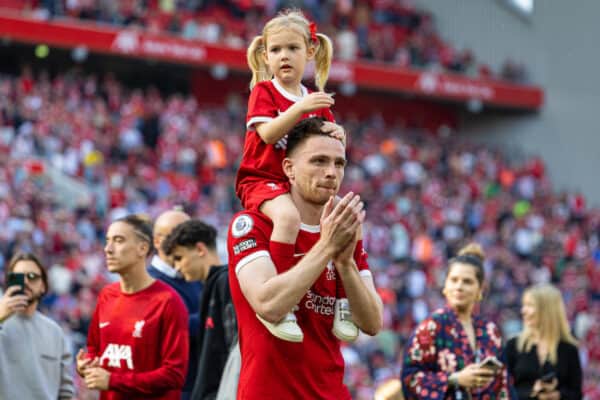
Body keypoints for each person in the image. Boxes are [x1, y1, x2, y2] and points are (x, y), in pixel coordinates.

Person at [228, 117, 383, 399]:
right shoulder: (253, 225)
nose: (331, 173)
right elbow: (269, 305)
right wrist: (326, 248)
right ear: (289, 168)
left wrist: (345, 264)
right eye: (319, 161)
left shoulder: (345, 230)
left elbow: (372, 322)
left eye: (339, 164)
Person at [237, 9, 357, 342]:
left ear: (310, 51)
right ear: (265, 55)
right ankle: (281, 300)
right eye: (275, 50)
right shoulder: (264, 92)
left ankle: (343, 303)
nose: (283, 56)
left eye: (292, 48)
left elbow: (332, 144)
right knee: (287, 219)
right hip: (262, 180)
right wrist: (300, 110)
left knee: (347, 220)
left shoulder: (315, 99)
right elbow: (268, 135)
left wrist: (339, 133)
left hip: (299, 186)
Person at [76, 214, 189, 400]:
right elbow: (95, 349)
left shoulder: (168, 301)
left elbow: (174, 375)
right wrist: (88, 365)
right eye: (107, 241)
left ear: (142, 248)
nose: (108, 249)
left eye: (118, 240)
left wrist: (113, 381)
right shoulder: (106, 296)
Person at [401, 243, 511, 399]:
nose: (459, 286)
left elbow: (504, 385)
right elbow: (409, 380)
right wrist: (455, 379)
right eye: (454, 280)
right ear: (445, 286)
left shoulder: (490, 330)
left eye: (467, 281)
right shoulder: (432, 327)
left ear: (480, 290)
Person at [161, 219, 237, 400]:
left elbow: (234, 350)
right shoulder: (209, 286)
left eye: (179, 258)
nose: (178, 268)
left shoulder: (226, 282)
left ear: (200, 249)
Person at [0, 252, 75, 400]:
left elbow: (66, 391)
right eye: (19, 277)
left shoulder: (55, 333)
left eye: (32, 277)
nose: (26, 282)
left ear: (43, 286)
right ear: (10, 282)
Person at [149, 209, 203, 399]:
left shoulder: (194, 276)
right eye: (180, 235)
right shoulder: (148, 283)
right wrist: (214, 313)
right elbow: (171, 329)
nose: (187, 242)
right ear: (157, 241)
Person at [505, 284, 582, 400]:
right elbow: (503, 391)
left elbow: (577, 393)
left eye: (529, 305)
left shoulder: (569, 349)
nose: (523, 311)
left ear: (547, 310)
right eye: (524, 305)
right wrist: (533, 392)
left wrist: (557, 395)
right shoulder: (513, 346)